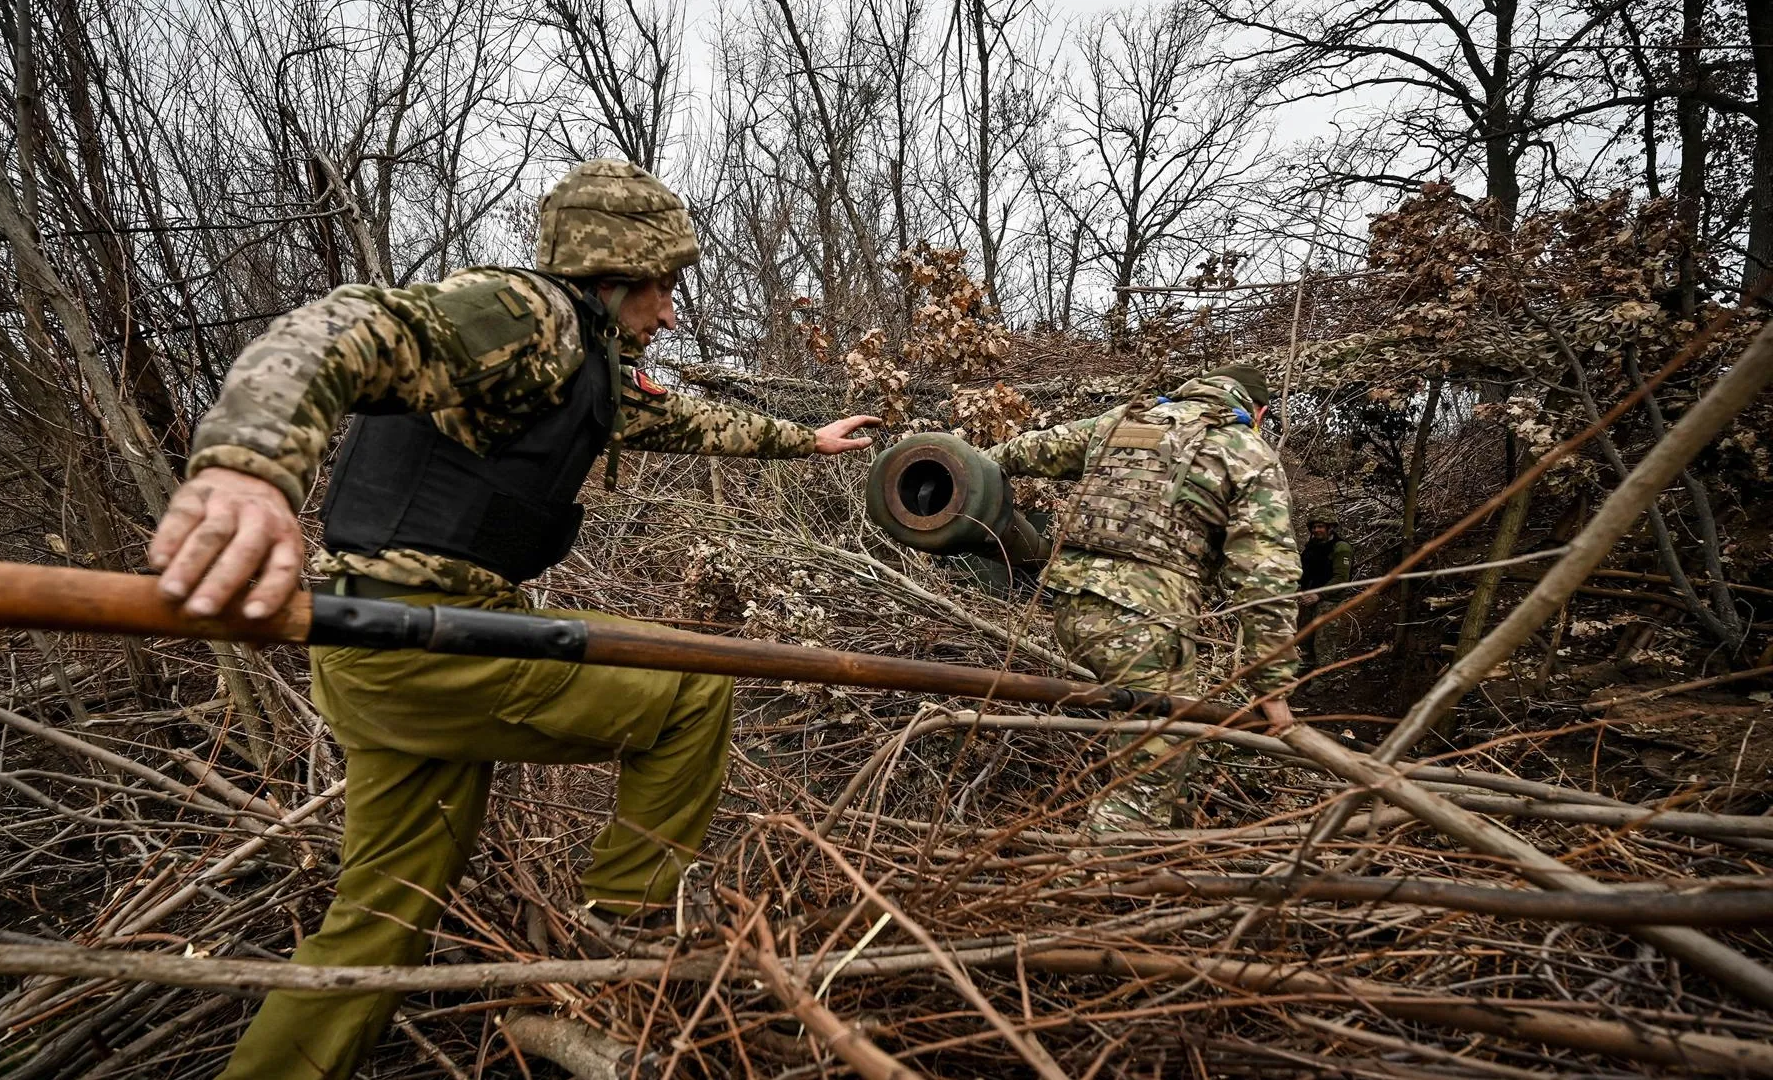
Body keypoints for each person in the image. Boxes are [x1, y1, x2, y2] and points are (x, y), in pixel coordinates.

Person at [146, 159, 880, 1080]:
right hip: (417, 635)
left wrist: (806, 442)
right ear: (615, 276)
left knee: (384, 915)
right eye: (666, 287)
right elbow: (342, 323)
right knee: (691, 683)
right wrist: (247, 464)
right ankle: (617, 938)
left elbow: (688, 424)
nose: (672, 310)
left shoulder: (584, 365)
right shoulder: (521, 316)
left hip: (387, 644)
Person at [985, 365, 1300, 830]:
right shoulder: (1247, 450)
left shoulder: (1120, 422)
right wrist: (1271, 685)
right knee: (1145, 786)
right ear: (1259, 411)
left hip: (1071, 608)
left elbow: (1019, 452)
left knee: (1168, 748)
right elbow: (1265, 574)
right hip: (1144, 627)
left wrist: (946, 467)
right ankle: (1092, 885)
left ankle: (1154, 848)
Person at [1297, 508, 1354, 666]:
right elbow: (1305, 571)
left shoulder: (1341, 548)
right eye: (1314, 527)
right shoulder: (1311, 547)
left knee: (1324, 642)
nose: (1316, 530)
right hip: (1309, 598)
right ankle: (1306, 668)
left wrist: (1319, 595)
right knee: (1304, 638)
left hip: (1329, 600)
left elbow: (1341, 578)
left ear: (1330, 527)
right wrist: (1301, 590)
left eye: (1320, 526)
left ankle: (1323, 678)